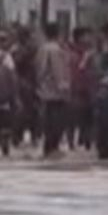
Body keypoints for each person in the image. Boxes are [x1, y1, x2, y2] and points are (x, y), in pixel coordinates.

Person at [35, 23, 72, 158]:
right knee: (57, 121)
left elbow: (38, 70)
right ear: (58, 33)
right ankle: (53, 148)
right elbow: (58, 71)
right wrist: (64, 88)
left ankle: (48, 148)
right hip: (56, 93)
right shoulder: (56, 50)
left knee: (48, 121)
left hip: (45, 91)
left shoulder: (42, 49)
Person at [10, 25, 41, 146]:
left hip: (30, 84)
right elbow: (15, 64)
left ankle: (31, 136)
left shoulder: (32, 48)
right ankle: (18, 137)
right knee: (22, 112)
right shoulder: (18, 49)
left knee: (32, 112)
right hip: (22, 83)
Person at [68, 27, 97, 151]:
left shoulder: (91, 53)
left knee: (89, 119)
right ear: (79, 38)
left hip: (89, 92)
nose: (89, 39)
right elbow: (76, 71)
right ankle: (71, 144)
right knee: (73, 119)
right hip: (76, 92)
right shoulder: (72, 54)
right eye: (86, 36)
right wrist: (85, 59)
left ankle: (87, 144)